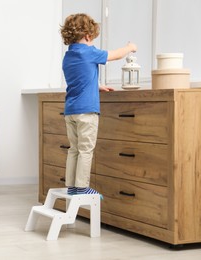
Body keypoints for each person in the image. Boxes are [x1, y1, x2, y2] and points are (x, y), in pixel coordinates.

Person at [60, 13, 137, 196]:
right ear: (87, 35)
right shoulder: (90, 52)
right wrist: (129, 47)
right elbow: (116, 56)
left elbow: (80, 79)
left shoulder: (68, 56)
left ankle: (71, 186)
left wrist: (97, 87)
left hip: (71, 111)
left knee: (74, 149)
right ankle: (82, 187)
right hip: (86, 111)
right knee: (86, 149)